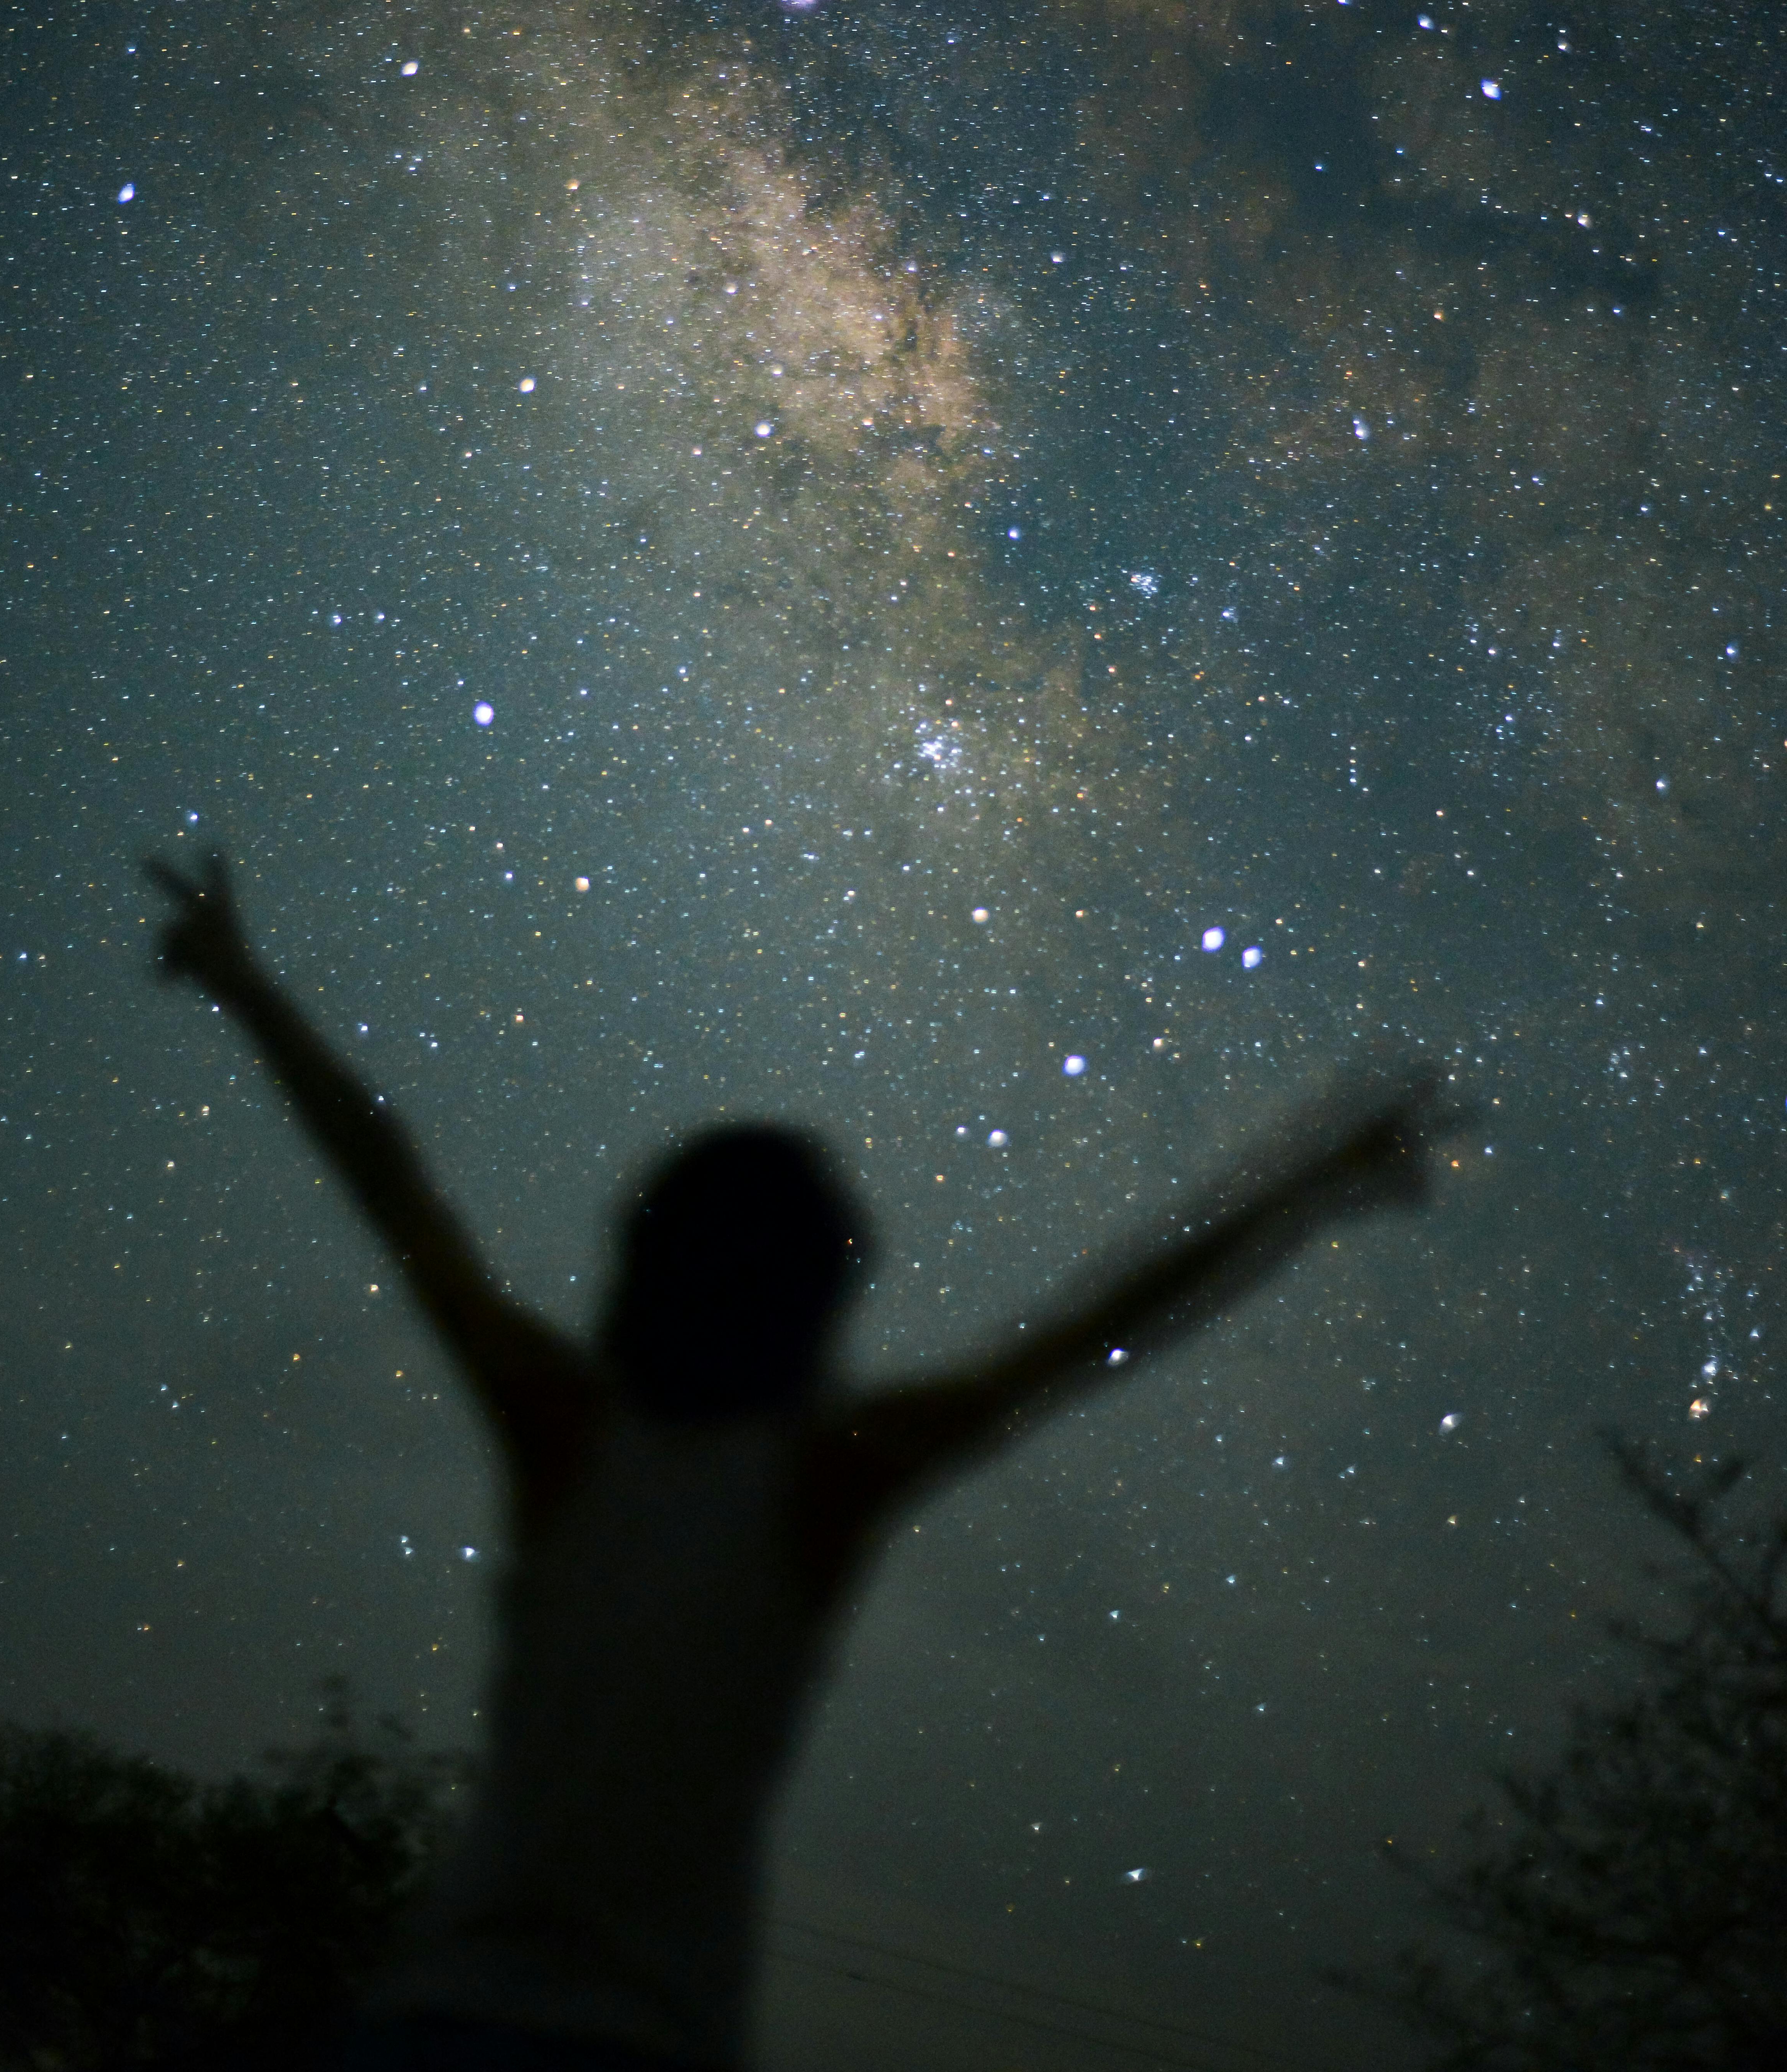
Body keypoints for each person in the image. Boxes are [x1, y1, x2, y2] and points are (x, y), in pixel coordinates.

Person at [145, 849, 1448, 2072]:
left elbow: (394, 1186)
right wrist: (1315, 1183)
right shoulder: (821, 1483)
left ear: (641, 1268)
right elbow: (1094, 1328)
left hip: (438, 2019)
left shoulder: (564, 1427)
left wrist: (245, 984)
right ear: (817, 1308)